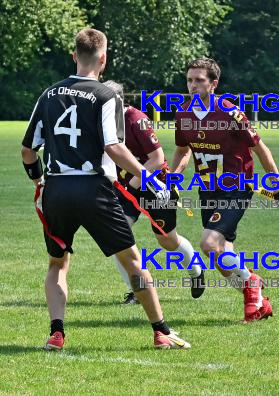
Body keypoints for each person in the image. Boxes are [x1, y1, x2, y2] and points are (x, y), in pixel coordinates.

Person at [20, 28, 190, 350]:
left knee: (57, 264)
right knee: (133, 261)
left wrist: (38, 181)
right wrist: (146, 176)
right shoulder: (106, 96)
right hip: (95, 188)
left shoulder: (48, 94)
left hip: (57, 189)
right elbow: (113, 147)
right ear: (104, 59)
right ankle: (161, 331)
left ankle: (56, 334)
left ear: (74, 57)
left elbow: (28, 151)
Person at [171, 58, 279, 323]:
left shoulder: (230, 113)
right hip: (207, 190)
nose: (193, 85)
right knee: (222, 257)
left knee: (209, 243)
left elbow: (260, 149)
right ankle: (260, 302)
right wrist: (171, 181)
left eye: (199, 80)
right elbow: (182, 151)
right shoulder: (183, 113)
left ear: (213, 84)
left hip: (235, 187)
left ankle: (252, 283)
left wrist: (278, 185)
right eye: (189, 80)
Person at [102, 80, 204, 304]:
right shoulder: (102, 121)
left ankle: (196, 270)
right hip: (127, 186)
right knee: (117, 236)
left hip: (156, 185)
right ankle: (137, 291)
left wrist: (134, 184)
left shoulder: (135, 119)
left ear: (119, 101)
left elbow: (157, 160)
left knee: (167, 240)